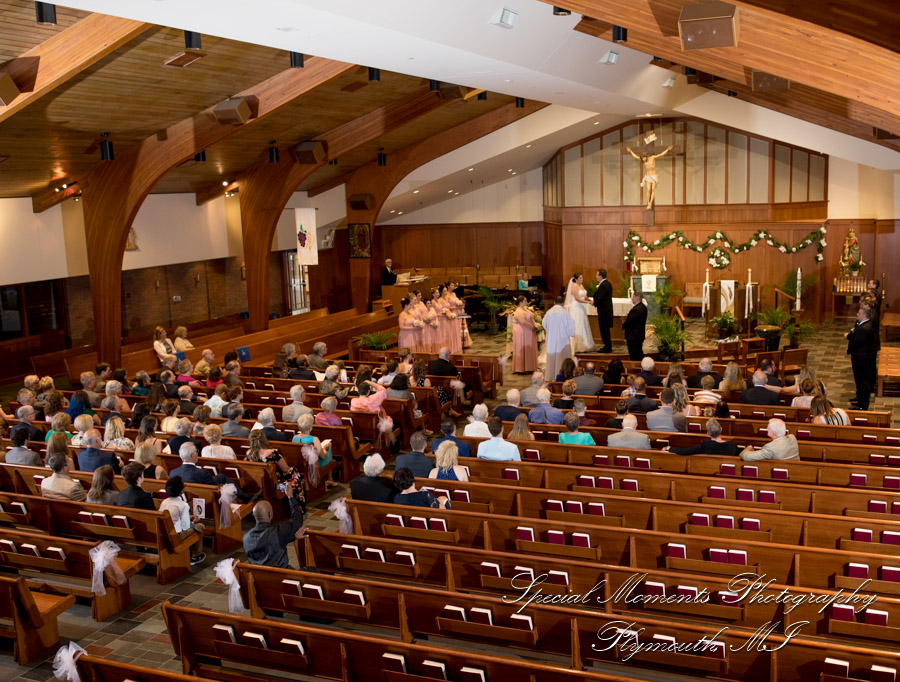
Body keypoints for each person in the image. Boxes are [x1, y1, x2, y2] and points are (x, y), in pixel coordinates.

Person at [243, 483, 305, 569]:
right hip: (281, 575)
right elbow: (297, 521)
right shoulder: (278, 532)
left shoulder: (245, 537)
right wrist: (290, 496)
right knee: (312, 570)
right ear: (270, 514)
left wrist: (292, 536)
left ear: (254, 515)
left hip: (258, 576)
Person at [158, 476, 206, 566]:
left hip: (164, 533)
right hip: (176, 535)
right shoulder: (183, 505)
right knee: (200, 527)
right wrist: (194, 521)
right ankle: (197, 555)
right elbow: (185, 526)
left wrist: (188, 517)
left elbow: (173, 517)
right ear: (181, 491)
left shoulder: (164, 502)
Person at [845, 304, 877, 411]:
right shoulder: (865, 324)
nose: (857, 314)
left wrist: (849, 349)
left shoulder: (864, 329)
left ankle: (862, 405)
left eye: (859, 313)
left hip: (861, 359)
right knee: (859, 381)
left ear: (864, 315)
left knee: (862, 382)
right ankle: (859, 399)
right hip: (862, 357)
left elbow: (856, 343)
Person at [626, 143, 673, 209]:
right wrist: (630, 151)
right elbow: (635, 156)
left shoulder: (652, 157)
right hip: (648, 176)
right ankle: (648, 203)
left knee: (653, 189)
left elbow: (661, 154)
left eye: (644, 158)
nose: (643, 160)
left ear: (645, 156)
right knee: (648, 189)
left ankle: (650, 203)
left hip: (653, 176)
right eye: (642, 159)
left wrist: (667, 149)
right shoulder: (643, 160)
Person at [542, 296, 575, 384]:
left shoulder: (549, 312)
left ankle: (550, 376)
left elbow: (544, 324)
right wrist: (570, 333)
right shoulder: (565, 314)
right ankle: (563, 377)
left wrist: (550, 331)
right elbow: (571, 328)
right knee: (562, 357)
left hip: (551, 341)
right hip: (562, 341)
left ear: (554, 302)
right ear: (563, 303)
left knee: (552, 357)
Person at [665, 419, 739, 456]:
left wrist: (669, 448)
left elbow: (685, 452)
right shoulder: (732, 445)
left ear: (708, 434)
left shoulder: (705, 446)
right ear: (721, 429)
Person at [564, 273, 594, 353]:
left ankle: (585, 344)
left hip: (581, 307)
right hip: (576, 307)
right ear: (576, 279)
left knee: (583, 324)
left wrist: (589, 300)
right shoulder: (574, 286)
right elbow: (577, 299)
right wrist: (588, 302)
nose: (582, 279)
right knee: (577, 325)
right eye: (580, 278)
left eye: (582, 278)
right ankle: (576, 345)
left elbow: (584, 296)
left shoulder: (581, 285)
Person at [511, 296, 539, 373]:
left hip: (528, 330)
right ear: (520, 302)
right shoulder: (518, 311)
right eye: (525, 300)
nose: (526, 302)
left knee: (528, 347)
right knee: (523, 347)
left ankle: (529, 366)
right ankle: (522, 368)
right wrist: (533, 327)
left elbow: (531, 318)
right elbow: (523, 322)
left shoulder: (525, 309)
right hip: (522, 331)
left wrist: (535, 324)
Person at [592, 269, 614, 353]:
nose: (596, 276)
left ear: (601, 276)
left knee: (604, 329)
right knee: (604, 329)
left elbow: (601, 298)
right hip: (605, 311)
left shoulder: (604, 285)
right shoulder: (606, 283)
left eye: (597, 275)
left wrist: (594, 303)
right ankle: (606, 346)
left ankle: (607, 348)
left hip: (604, 312)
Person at [622, 293, 648, 361]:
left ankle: (636, 365)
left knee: (634, 353)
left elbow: (630, 321)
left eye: (633, 297)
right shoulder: (643, 307)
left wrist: (623, 324)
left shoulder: (636, 309)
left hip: (633, 335)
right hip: (639, 334)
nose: (632, 299)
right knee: (638, 351)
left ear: (636, 299)